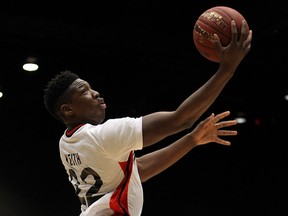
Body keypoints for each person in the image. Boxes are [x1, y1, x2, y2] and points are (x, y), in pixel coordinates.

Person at [43, 20, 252, 216]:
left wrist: (192, 139)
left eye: (91, 87)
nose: (96, 93)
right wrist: (227, 69)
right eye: (84, 91)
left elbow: (138, 170)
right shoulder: (102, 135)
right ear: (67, 110)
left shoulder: (67, 142)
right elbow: (180, 120)